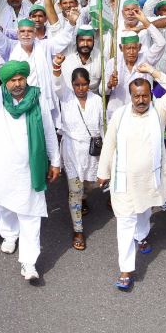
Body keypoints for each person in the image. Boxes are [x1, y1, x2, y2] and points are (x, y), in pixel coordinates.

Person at [95, 65, 166, 290]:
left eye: (145, 95)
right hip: (123, 182)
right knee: (125, 222)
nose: (141, 100)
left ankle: (142, 236)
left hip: (149, 181)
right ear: (131, 96)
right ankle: (126, 269)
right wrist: (103, 172)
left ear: (150, 94)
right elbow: (110, 144)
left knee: (144, 212)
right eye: (137, 96)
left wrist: (153, 72)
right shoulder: (120, 115)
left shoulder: (159, 110)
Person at [0, 54, 60, 281]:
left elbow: (49, 131)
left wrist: (56, 161)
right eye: (12, 80)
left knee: (31, 213)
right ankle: (10, 235)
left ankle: (29, 263)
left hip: (30, 167)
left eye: (21, 79)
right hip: (2, 166)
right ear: (5, 82)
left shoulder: (37, 97)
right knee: (5, 204)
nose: (18, 84)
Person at [54, 64, 104, 251]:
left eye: (84, 85)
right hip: (72, 150)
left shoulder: (97, 100)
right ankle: (78, 230)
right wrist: (57, 68)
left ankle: (83, 196)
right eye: (77, 85)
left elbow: (101, 126)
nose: (81, 89)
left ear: (89, 84)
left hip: (92, 152)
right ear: (72, 85)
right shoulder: (66, 97)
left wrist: (106, 153)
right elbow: (57, 85)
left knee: (90, 185)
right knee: (75, 190)